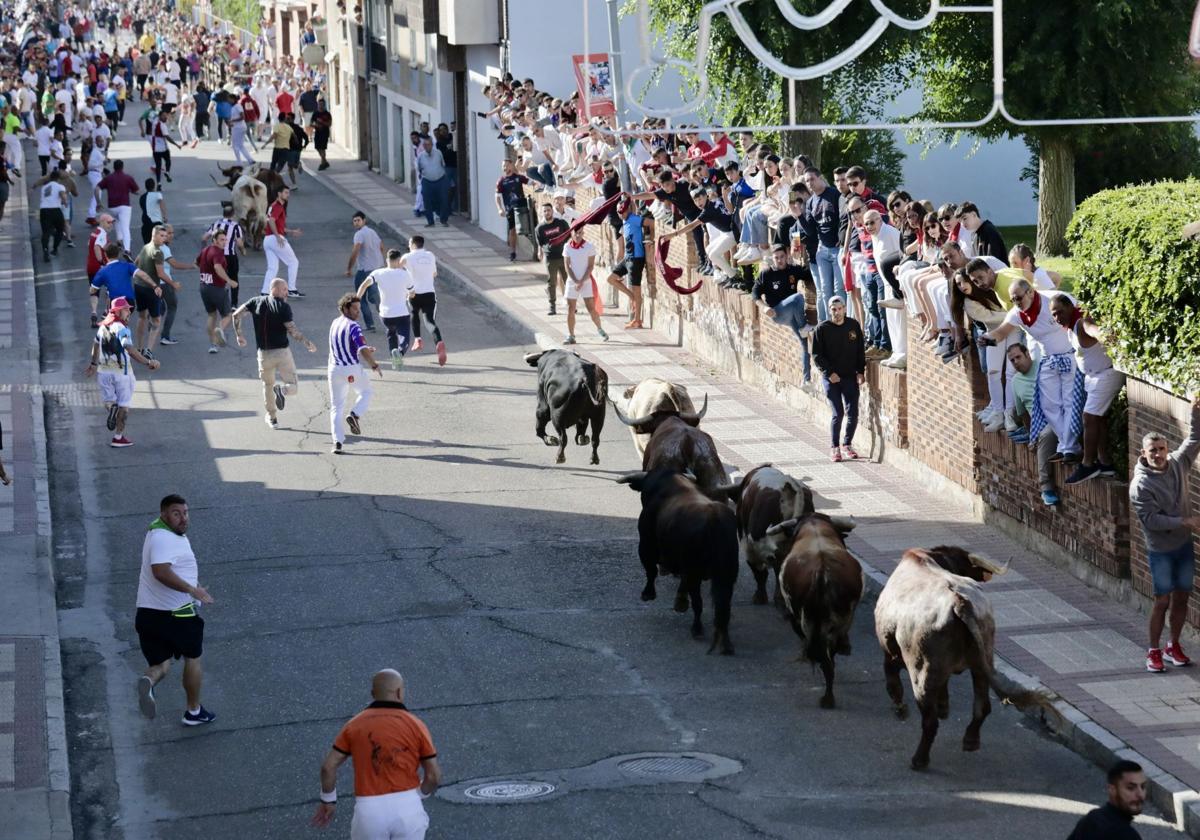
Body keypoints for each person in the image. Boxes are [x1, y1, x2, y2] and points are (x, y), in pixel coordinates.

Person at [311, 669, 440, 837]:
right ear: (400, 692)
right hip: (408, 808)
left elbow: (328, 767)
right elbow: (433, 776)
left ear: (373, 694)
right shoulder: (416, 725)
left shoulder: (354, 725)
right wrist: (420, 794)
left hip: (369, 811)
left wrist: (328, 800)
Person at [1130, 392, 1200, 674]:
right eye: (1152, 450)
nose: (1158, 454)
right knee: (1162, 600)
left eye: (1161, 449)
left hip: (1183, 546)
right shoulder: (1140, 485)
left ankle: (1174, 645)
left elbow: (1194, 439)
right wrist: (1185, 521)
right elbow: (1151, 521)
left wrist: (1195, 410)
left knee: (1182, 596)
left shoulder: (1178, 462)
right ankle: (1154, 650)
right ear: (1143, 454)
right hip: (1160, 551)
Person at [133, 494, 216, 726]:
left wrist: (192, 584)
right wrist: (192, 589)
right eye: (176, 513)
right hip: (177, 614)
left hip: (148, 615)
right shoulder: (164, 538)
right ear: (163, 514)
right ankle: (194, 711)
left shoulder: (156, 533)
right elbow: (160, 571)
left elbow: (169, 568)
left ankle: (148, 682)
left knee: (161, 664)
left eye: (185, 513)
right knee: (193, 658)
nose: (183, 518)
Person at [980, 278, 1082, 461]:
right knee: (1048, 405)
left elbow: (1081, 315)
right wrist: (986, 338)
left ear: (1031, 292)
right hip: (1048, 360)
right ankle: (1067, 444)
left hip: (1070, 356)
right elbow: (1001, 333)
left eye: (1018, 298)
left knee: (1068, 402)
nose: (1017, 303)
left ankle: (1069, 449)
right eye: (1013, 300)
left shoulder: (1054, 300)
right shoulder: (1017, 314)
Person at [232, 279, 318, 429]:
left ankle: (272, 418)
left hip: (263, 355)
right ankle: (283, 391)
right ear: (275, 289)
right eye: (284, 289)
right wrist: (307, 343)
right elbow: (292, 331)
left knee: (267, 385)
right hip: (282, 353)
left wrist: (239, 335)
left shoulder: (255, 302)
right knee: (293, 386)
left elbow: (236, 315)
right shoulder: (283, 307)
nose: (286, 292)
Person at [84, 296, 160, 448]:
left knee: (109, 401)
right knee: (124, 405)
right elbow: (129, 349)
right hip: (122, 373)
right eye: (126, 309)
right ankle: (118, 437)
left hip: (103, 372)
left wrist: (93, 363)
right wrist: (148, 362)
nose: (129, 311)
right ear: (117, 311)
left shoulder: (102, 327)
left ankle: (112, 409)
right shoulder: (122, 328)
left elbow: (96, 345)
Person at [1006, 343, 1063, 507]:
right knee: (1045, 435)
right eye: (1012, 360)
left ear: (1027, 354)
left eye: (1018, 357)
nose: (1016, 362)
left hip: (1057, 414)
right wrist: (1032, 436)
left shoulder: (1044, 367)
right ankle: (1047, 488)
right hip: (1040, 425)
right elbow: (1023, 413)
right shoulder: (1015, 382)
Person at [812, 295, 866, 462]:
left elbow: (860, 350)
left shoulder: (853, 325)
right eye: (833, 309)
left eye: (839, 308)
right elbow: (816, 355)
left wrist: (860, 371)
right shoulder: (822, 329)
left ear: (844, 308)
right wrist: (829, 373)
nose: (837, 312)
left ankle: (847, 444)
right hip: (832, 379)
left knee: (853, 413)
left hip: (849, 376)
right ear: (829, 310)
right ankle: (834, 447)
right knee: (838, 413)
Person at [328, 294, 383, 454]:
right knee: (366, 391)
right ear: (345, 308)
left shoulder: (334, 323)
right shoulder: (354, 326)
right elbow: (361, 348)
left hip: (334, 369)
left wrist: (364, 349)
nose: (358, 312)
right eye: (355, 308)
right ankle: (355, 414)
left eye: (359, 309)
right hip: (351, 368)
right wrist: (374, 365)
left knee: (336, 407)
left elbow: (339, 347)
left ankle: (337, 443)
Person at [357, 250, 415, 371]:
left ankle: (394, 355)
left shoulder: (378, 272)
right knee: (404, 338)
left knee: (391, 334)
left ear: (387, 260)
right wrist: (409, 294)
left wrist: (357, 300)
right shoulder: (405, 274)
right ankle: (399, 352)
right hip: (401, 313)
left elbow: (364, 285)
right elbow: (412, 293)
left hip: (385, 314)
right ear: (399, 261)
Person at [1066, 760, 1145, 840]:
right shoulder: (1128, 836)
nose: (1140, 794)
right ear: (1112, 790)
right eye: (1131, 788)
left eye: (1142, 787)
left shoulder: (1092, 817)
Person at [400, 235, 447, 366]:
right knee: (429, 321)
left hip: (413, 293)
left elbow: (396, 269)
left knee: (414, 313)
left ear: (413, 244)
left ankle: (418, 339)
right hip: (429, 293)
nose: (408, 245)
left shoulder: (406, 257)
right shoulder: (430, 255)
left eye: (409, 243)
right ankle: (439, 343)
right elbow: (434, 274)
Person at [562, 226, 608, 345]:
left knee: (591, 308)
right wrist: (576, 281)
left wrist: (582, 281)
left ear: (583, 233)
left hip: (586, 281)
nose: (578, 236)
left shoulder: (589, 247)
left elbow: (590, 266)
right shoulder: (567, 247)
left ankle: (599, 329)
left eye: (580, 233)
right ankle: (571, 335)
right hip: (572, 281)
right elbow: (567, 266)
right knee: (570, 308)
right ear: (571, 234)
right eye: (576, 233)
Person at [345, 212, 386, 332]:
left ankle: (370, 325)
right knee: (377, 297)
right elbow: (382, 246)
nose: (356, 222)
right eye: (354, 221)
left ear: (364, 220)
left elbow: (355, 251)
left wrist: (349, 268)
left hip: (364, 270)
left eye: (358, 220)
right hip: (378, 269)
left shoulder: (359, 234)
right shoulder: (372, 232)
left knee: (360, 298)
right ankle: (388, 321)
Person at [197, 229, 237, 353]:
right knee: (227, 315)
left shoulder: (205, 250)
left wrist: (207, 272)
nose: (224, 242)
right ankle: (219, 330)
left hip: (204, 287)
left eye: (225, 240)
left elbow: (196, 262)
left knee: (211, 315)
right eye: (221, 240)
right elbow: (217, 267)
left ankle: (213, 345)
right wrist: (229, 281)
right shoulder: (218, 253)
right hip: (217, 288)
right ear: (214, 240)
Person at [261, 185, 303, 296]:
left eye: (288, 193)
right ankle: (291, 289)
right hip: (275, 239)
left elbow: (274, 223)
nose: (288, 195)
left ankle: (265, 292)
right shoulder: (278, 206)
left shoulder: (273, 206)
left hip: (267, 240)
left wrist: (290, 231)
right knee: (293, 262)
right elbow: (271, 220)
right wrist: (278, 236)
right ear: (279, 194)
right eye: (285, 193)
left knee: (272, 268)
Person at [202, 206, 245, 307]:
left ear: (223, 214)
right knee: (233, 279)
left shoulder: (216, 224)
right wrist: (243, 250)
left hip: (216, 256)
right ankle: (234, 304)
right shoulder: (235, 226)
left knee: (217, 278)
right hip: (230, 256)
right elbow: (239, 243)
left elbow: (204, 238)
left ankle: (217, 302)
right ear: (233, 215)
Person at [534, 202, 569, 315]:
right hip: (550, 259)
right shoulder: (539, 228)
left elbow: (569, 236)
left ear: (552, 211)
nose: (547, 212)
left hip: (563, 256)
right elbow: (540, 243)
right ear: (542, 213)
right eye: (544, 211)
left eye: (548, 210)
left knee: (567, 281)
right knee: (551, 282)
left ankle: (571, 304)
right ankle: (552, 306)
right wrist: (540, 252)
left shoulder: (561, 223)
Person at [97, 159, 140, 252]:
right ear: (122, 167)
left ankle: (119, 240)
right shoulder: (127, 177)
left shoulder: (108, 178)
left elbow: (97, 188)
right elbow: (136, 191)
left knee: (116, 222)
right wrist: (130, 191)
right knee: (125, 227)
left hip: (112, 206)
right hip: (124, 205)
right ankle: (127, 249)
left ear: (114, 167)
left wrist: (98, 202)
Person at [495, 159, 529, 261]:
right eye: (503, 166)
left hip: (522, 208)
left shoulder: (518, 177)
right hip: (510, 209)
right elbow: (497, 196)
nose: (505, 168)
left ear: (511, 166)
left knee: (528, 227)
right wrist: (500, 209)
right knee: (512, 230)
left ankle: (535, 250)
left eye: (506, 165)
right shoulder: (501, 181)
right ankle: (513, 252)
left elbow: (530, 182)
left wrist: (538, 183)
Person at [416, 134, 449, 227]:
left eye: (429, 144)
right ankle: (430, 221)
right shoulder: (421, 156)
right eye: (425, 145)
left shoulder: (438, 153)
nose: (427, 146)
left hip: (440, 179)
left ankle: (444, 220)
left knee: (444, 199)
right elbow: (419, 168)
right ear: (423, 146)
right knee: (427, 201)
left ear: (432, 145)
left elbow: (443, 165)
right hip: (427, 180)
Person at [35, 170, 69, 261]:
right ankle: (54, 249)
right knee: (60, 230)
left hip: (44, 210)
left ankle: (45, 250)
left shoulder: (44, 187)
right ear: (58, 179)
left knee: (46, 232)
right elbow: (62, 194)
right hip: (55, 210)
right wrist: (65, 202)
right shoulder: (60, 186)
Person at [311, 98, 332, 170]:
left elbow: (329, 124)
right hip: (317, 133)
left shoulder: (327, 114)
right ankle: (325, 162)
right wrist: (315, 125)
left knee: (323, 148)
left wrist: (322, 122)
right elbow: (311, 123)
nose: (320, 106)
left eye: (322, 104)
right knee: (317, 148)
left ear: (324, 105)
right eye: (319, 104)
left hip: (324, 133)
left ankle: (322, 163)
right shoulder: (315, 113)